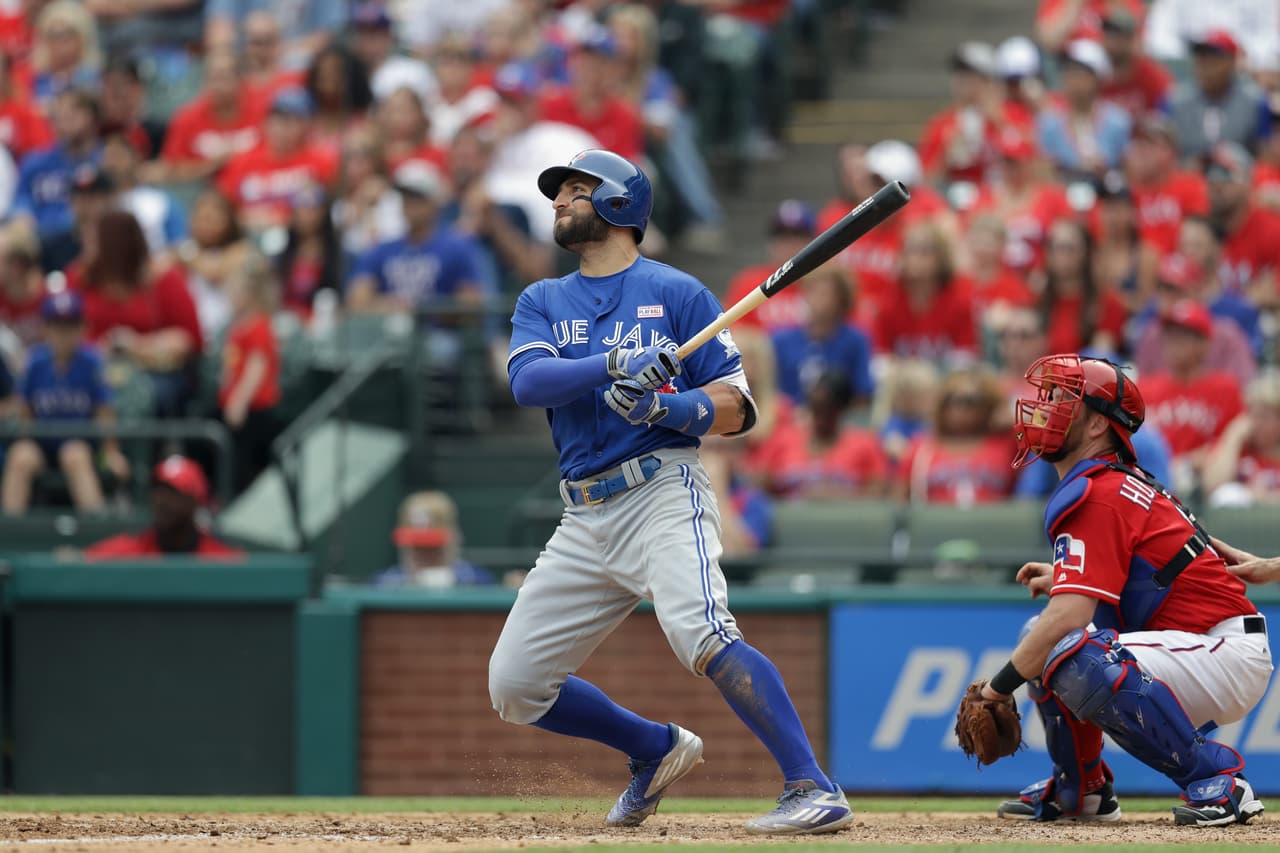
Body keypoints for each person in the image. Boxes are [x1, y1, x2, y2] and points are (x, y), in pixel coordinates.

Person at [489, 149, 854, 834]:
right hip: (584, 512)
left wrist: (667, 407)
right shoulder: (543, 298)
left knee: (703, 632)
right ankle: (654, 750)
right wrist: (615, 364)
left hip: (660, 488)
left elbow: (738, 406)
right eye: (560, 192)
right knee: (514, 684)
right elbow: (528, 383)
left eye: (576, 190)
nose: (560, 201)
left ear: (622, 204)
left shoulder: (679, 293)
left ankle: (812, 783)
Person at [972, 353, 1270, 826]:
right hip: (1194, 643)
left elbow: (1069, 617)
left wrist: (995, 688)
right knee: (1043, 633)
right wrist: (1071, 579)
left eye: (1063, 400)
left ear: (1096, 426)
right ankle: (1081, 791)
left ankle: (1217, 779)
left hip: (1223, 648)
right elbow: (1147, 571)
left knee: (1063, 644)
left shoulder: (1101, 491)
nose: (1045, 409)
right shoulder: (1112, 481)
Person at [1, 291, 126, 514]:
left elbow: (104, 410)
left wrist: (110, 451)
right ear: (46, 329)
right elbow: (26, 409)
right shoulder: (35, 362)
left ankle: (94, 531)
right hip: (42, 445)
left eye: (70, 326)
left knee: (74, 454)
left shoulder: (92, 362)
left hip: (81, 444)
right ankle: (10, 532)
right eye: (57, 326)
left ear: (82, 328)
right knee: (21, 455)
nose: (63, 334)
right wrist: (26, 437)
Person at [346, 162, 490, 314]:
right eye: (405, 197)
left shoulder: (456, 247)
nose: (409, 204)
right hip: (390, 329)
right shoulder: (384, 249)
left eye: (416, 198)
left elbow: (471, 303)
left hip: (439, 331)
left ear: (433, 202)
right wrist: (391, 306)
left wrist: (419, 308)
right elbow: (357, 299)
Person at [215, 87, 339, 234]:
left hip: (300, 237)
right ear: (265, 123)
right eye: (277, 119)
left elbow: (332, 207)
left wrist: (282, 219)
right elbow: (222, 208)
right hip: (249, 235)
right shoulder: (241, 161)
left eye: (292, 121)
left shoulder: (322, 161)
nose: (282, 128)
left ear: (306, 125)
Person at [756, 368, 887, 500]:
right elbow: (760, 487)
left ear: (841, 408)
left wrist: (839, 496)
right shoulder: (785, 439)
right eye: (816, 407)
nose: (821, 416)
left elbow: (879, 494)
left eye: (828, 409)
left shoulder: (865, 444)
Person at [895, 367, 1017, 505]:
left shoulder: (1007, 443)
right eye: (950, 400)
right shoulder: (920, 448)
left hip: (992, 524)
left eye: (969, 401)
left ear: (987, 405)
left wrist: (1011, 421)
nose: (958, 409)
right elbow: (900, 505)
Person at [12, 86, 101, 271]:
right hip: (36, 242)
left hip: (82, 241)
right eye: (59, 116)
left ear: (91, 117)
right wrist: (22, 216)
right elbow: (21, 199)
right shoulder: (36, 161)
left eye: (71, 115)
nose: (62, 123)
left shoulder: (104, 161)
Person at [1132, 253, 1256, 387]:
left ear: (1198, 292)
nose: (1166, 298)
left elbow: (1244, 388)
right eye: (1161, 289)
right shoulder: (1152, 334)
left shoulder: (1227, 335)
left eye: (1175, 290)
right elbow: (1142, 392)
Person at [84, 455, 244, 558]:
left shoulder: (218, 559)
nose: (162, 500)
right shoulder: (135, 550)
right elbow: (84, 560)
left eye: (173, 492)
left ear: (194, 501)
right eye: (158, 490)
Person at [218, 251, 280, 494]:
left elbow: (257, 367)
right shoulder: (236, 327)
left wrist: (239, 400)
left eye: (234, 292)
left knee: (246, 465)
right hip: (234, 406)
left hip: (254, 409)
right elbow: (231, 363)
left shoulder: (259, 326)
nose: (230, 298)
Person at [770, 264, 873, 407]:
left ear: (842, 300)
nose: (818, 300)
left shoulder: (855, 340)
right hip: (787, 421)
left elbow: (862, 393)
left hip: (834, 421)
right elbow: (768, 390)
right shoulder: (780, 340)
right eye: (812, 292)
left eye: (826, 294)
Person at [159, 49, 266, 184]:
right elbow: (171, 169)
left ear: (240, 80)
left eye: (223, 78)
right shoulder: (186, 117)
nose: (216, 86)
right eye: (211, 78)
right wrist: (213, 165)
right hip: (200, 189)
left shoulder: (263, 112)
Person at [1166, 30, 1270, 160]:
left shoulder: (1256, 102)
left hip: (1241, 176)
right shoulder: (1174, 101)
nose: (1205, 65)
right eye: (1201, 57)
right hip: (1186, 175)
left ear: (1232, 62)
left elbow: (1266, 156)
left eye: (1214, 58)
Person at [1036, 39, 1131, 179]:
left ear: (1096, 79)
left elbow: (1127, 170)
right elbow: (1043, 172)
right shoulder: (1048, 123)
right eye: (1070, 74)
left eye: (1081, 75)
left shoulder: (1118, 121)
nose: (1074, 82)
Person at [723, 200, 817, 335]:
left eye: (798, 235)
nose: (790, 243)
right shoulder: (749, 282)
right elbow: (736, 334)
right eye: (782, 236)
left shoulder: (825, 285)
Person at [1038, 218, 1127, 356]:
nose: (1061, 254)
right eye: (1053, 246)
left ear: (1086, 252)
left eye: (1069, 248)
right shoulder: (1037, 300)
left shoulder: (1106, 303)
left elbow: (1102, 356)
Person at [373, 490, 495, 587]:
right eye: (417, 548)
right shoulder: (385, 583)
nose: (424, 556)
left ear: (455, 541)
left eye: (434, 549)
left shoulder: (478, 581)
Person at [1202, 372, 1280, 504]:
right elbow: (1212, 487)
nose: (1256, 423)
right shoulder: (1235, 449)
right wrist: (1233, 438)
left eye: (1264, 417)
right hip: (1235, 522)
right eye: (1252, 415)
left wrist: (1259, 498)